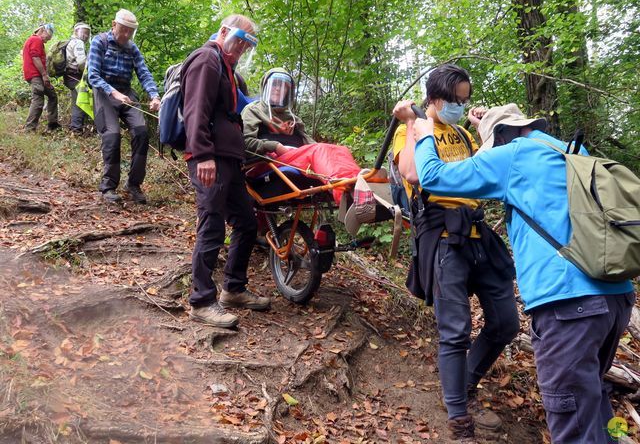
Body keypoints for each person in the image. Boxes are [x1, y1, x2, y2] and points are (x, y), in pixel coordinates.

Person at [406, 102, 635, 443]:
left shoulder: (511, 155)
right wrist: (487, 122)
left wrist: (423, 134)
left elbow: (434, 177)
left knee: (573, 424)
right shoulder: (567, 149)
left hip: (567, 305)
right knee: (594, 403)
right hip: (616, 296)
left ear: (500, 138)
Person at [392, 65, 520, 442]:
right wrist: (414, 124)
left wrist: (485, 127)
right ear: (434, 100)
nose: (461, 106)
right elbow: (412, 174)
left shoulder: (462, 132)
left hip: (478, 232)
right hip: (443, 235)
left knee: (506, 323)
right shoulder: (411, 129)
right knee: (455, 332)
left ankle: (463, 384)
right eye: (455, 101)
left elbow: (482, 169)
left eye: (465, 100)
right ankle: (459, 420)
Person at [181, 14, 270, 328]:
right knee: (212, 226)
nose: (242, 49)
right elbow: (195, 110)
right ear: (222, 31)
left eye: (247, 46)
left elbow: (238, 109)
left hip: (230, 159)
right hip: (211, 159)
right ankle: (202, 301)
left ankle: (233, 289)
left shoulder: (228, 68)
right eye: (239, 41)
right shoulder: (207, 59)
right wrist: (202, 154)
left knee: (246, 222)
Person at [242, 68, 361, 204]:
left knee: (340, 150)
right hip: (267, 161)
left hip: (296, 158)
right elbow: (244, 142)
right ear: (266, 86)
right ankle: (347, 195)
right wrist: (275, 146)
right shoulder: (253, 110)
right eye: (274, 85)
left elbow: (312, 145)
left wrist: (325, 150)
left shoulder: (293, 119)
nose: (278, 89)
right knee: (319, 151)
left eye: (283, 87)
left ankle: (360, 182)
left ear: (289, 92)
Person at [87, 9, 160, 204]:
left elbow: (144, 73)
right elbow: (92, 75)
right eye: (123, 30)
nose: (126, 35)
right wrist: (114, 92)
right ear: (114, 25)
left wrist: (154, 96)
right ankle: (108, 187)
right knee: (112, 135)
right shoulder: (99, 42)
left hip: (126, 93)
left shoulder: (132, 48)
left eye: (130, 31)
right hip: (104, 92)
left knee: (142, 132)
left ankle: (134, 184)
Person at [22, 23, 59, 132]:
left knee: (52, 95)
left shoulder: (35, 40)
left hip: (38, 75)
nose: (47, 41)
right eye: (47, 38)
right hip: (36, 75)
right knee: (38, 100)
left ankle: (53, 124)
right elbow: (35, 57)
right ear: (43, 31)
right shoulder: (36, 40)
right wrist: (44, 75)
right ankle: (29, 129)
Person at [64, 22, 91, 134]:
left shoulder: (71, 42)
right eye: (83, 32)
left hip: (69, 76)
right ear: (76, 32)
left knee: (78, 101)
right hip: (75, 76)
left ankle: (77, 127)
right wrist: (87, 73)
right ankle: (76, 129)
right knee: (81, 101)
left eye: (87, 33)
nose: (85, 35)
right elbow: (81, 62)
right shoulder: (78, 43)